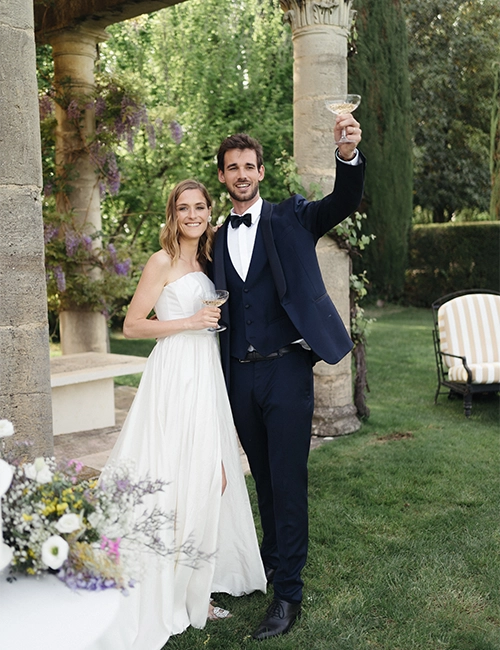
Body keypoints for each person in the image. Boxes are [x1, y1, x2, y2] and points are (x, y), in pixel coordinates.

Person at [211, 115, 365, 640]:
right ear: (222, 177)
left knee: (288, 479)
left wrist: (346, 156)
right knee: (264, 479)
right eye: (232, 168)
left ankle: (288, 596)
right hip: (240, 376)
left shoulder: (291, 217)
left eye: (249, 166)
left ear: (260, 171)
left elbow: (340, 203)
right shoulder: (213, 238)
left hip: (287, 370)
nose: (241, 174)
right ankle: (274, 564)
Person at [96, 179, 266, 650]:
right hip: (175, 377)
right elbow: (131, 326)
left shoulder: (210, 260)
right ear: (172, 214)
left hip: (206, 375)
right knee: (176, 476)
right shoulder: (162, 261)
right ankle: (176, 588)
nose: (192, 215)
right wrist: (190, 322)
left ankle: (197, 582)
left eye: (199, 207)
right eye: (183, 208)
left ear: (210, 210)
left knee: (215, 478)